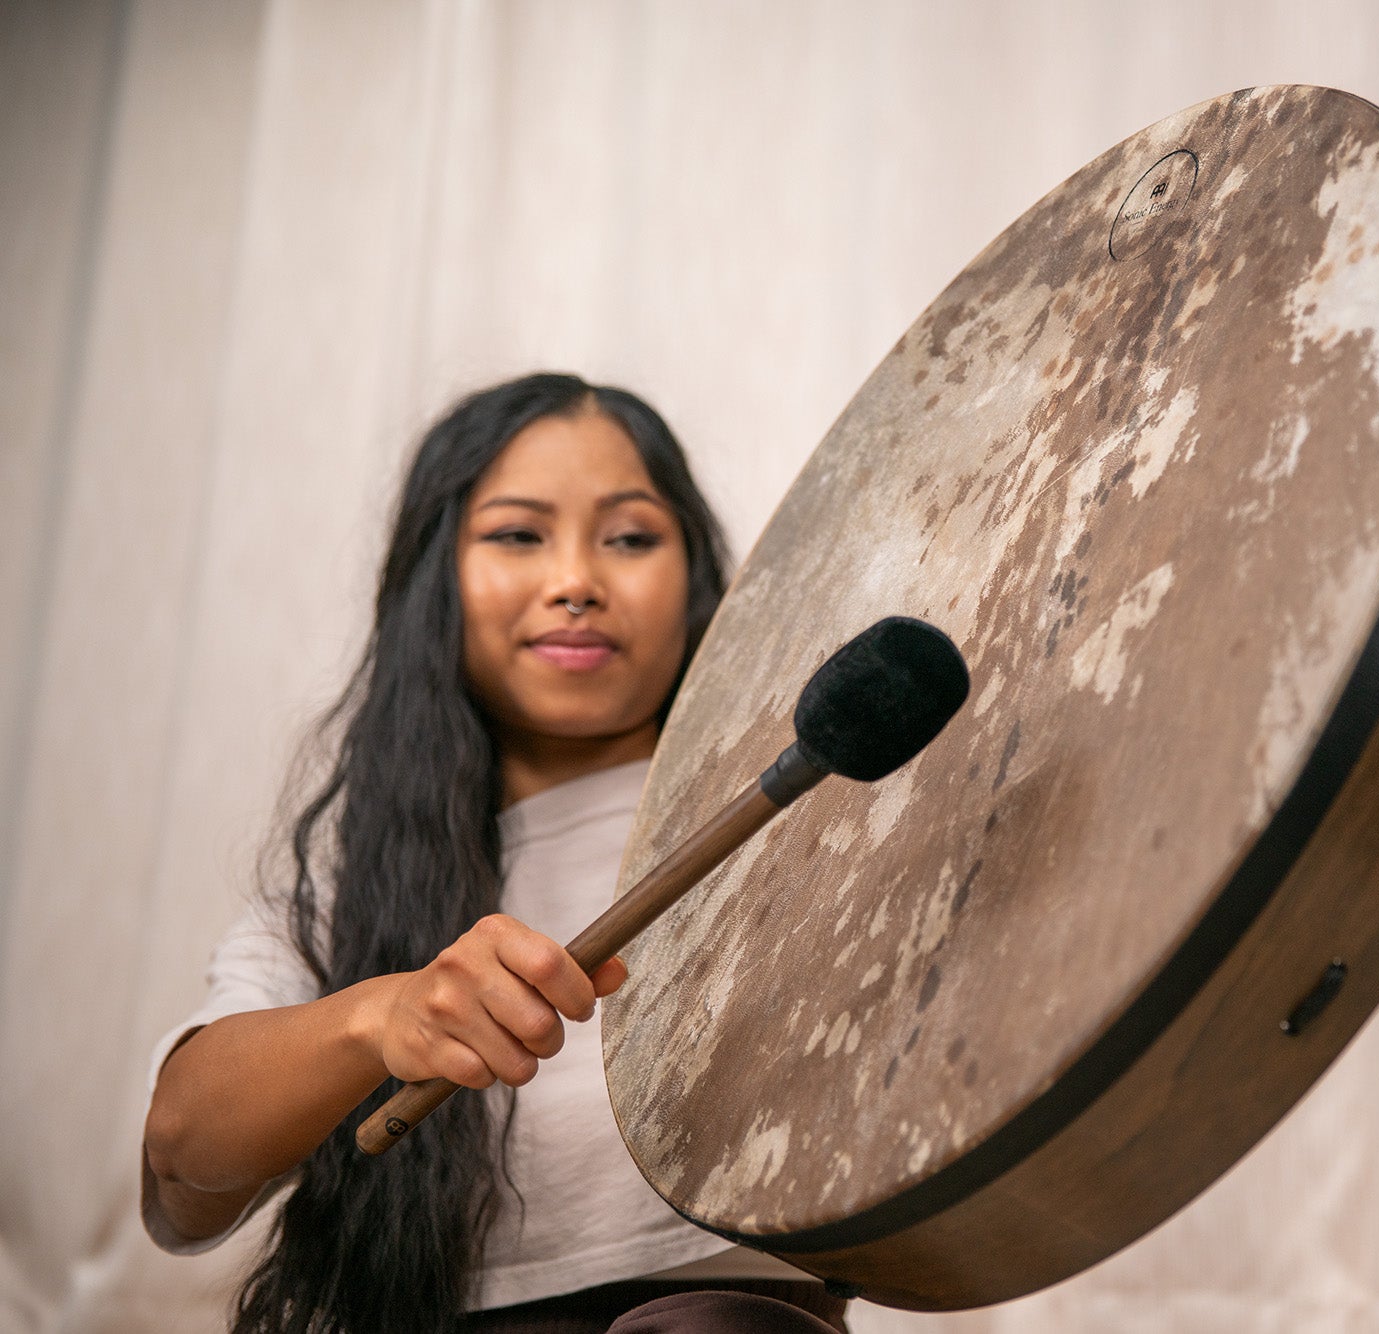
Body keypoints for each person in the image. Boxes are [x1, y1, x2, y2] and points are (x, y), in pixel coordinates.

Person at [141, 373, 849, 1334]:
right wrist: (378, 1018)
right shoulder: (356, 884)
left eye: (631, 537)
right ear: (437, 582)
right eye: (518, 535)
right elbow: (182, 1169)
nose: (576, 582)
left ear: (696, 578)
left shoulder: (812, 814)